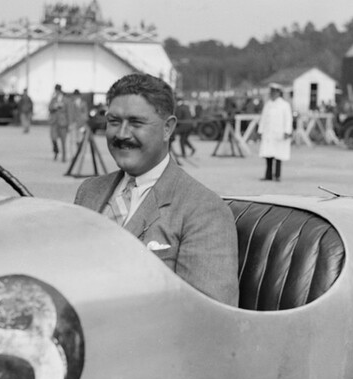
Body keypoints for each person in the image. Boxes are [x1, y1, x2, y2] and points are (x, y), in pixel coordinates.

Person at [74, 73, 238, 306]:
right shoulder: (89, 192)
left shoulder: (203, 210)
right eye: (114, 121)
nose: (122, 134)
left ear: (167, 128)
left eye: (136, 123)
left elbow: (209, 316)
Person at [257, 83, 293, 181]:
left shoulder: (284, 105)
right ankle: (268, 175)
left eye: (274, 92)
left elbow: (288, 119)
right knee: (268, 155)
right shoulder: (268, 104)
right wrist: (260, 130)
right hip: (268, 133)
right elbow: (263, 118)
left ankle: (277, 175)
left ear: (278, 93)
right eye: (271, 92)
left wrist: (287, 131)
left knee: (278, 155)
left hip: (279, 133)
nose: (272, 94)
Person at [48, 84, 68, 161]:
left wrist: (69, 123)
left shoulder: (65, 100)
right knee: (53, 138)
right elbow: (49, 108)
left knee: (63, 140)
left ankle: (64, 156)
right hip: (54, 121)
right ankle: (56, 151)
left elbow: (69, 112)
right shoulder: (53, 99)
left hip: (63, 122)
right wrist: (54, 106)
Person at [66, 89, 89, 158]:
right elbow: (69, 114)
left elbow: (85, 114)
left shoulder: (83, 103)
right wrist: (70, 123)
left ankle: (80, 154)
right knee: (72, 140)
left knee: (80, 139)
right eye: (75, 95)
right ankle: (73, 155)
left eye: (77, 95)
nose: (75, 97)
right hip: (73, 124)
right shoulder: (71, 103)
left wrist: (83, 122)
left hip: (81, 124)